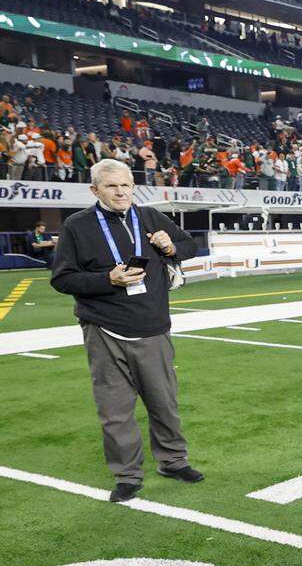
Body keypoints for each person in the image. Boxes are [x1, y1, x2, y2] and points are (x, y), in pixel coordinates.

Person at [49, 159, 204, 503]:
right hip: (104, 330)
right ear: (95, 190)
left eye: (126, 185)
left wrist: (171, 247)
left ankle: (173, 461)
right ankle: (127, 475)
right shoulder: (77, 225)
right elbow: (61, 278)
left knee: (164, 402)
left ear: (134, 187)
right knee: (115, 409)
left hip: (152, 326)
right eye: (111, 186)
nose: (121, 192)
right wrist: (108, 279)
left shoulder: (150, 217)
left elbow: (191, 246)